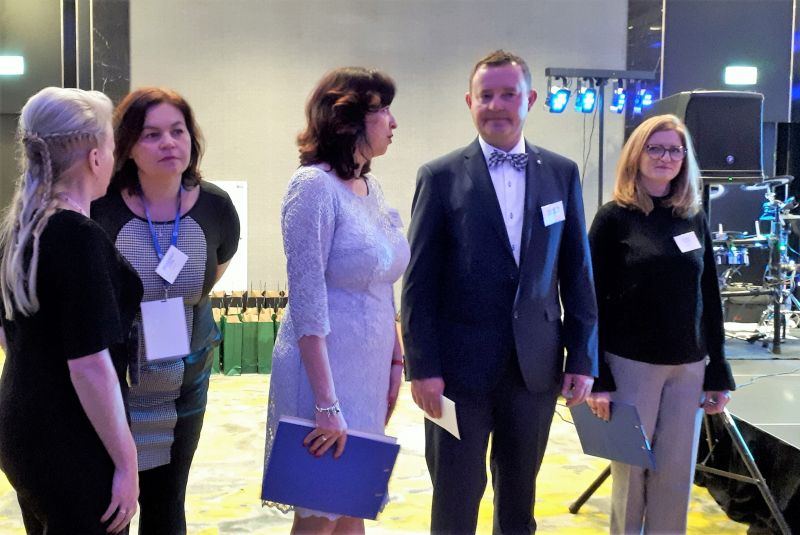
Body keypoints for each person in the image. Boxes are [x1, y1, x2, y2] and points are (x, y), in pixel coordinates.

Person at [401, 50, 598, 534]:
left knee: (519, 497)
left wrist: (582, 357)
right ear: (470, 102)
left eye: (508, 94)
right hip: (457, 373)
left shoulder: (562, 173)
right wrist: (422, 368)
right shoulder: (439, 176)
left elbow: (577, 272)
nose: (496, 105)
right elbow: (419, 284)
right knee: (455, 495)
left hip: (535, 369)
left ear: (529, 100)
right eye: (486, 95)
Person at [263, 67, 409, 534]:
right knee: (318, 514)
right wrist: (326, 403)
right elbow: (307, 301)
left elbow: (381, 281)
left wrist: (395, 357)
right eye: (383, 110)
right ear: (348, 119)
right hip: (324, 374)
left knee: (351, 506)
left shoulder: (370, 188)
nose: (393, 122)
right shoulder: (312, 188)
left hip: (366, 370)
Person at [92, 87, 240, 535]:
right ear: (127, 146)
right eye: (152, 134)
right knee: (109, 506)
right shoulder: (100, 207)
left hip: (185, 382)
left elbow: (209, 277)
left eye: (178, 131)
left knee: (168, 501)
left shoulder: (216, 206)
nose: (169, 143)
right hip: (113, 386)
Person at [0, 87, 142, 534]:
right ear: (96, 158)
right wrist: (127, 463)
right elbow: (88, 366)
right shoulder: (78, 237)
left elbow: (10, 335)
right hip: (72, 436)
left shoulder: (20, 230)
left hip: (22, 422)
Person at [585, 114, 735, 534]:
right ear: (637, 154)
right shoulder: (613, 218)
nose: (665, 157)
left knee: (675, 478)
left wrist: (718, 370)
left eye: (674, 150)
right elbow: (589, 301)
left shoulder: (693, 216)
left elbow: (709, 296)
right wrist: (596, 375)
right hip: (630, 366)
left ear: (685, 159)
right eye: (655, 148)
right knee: (630, 477)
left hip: (688, 366)